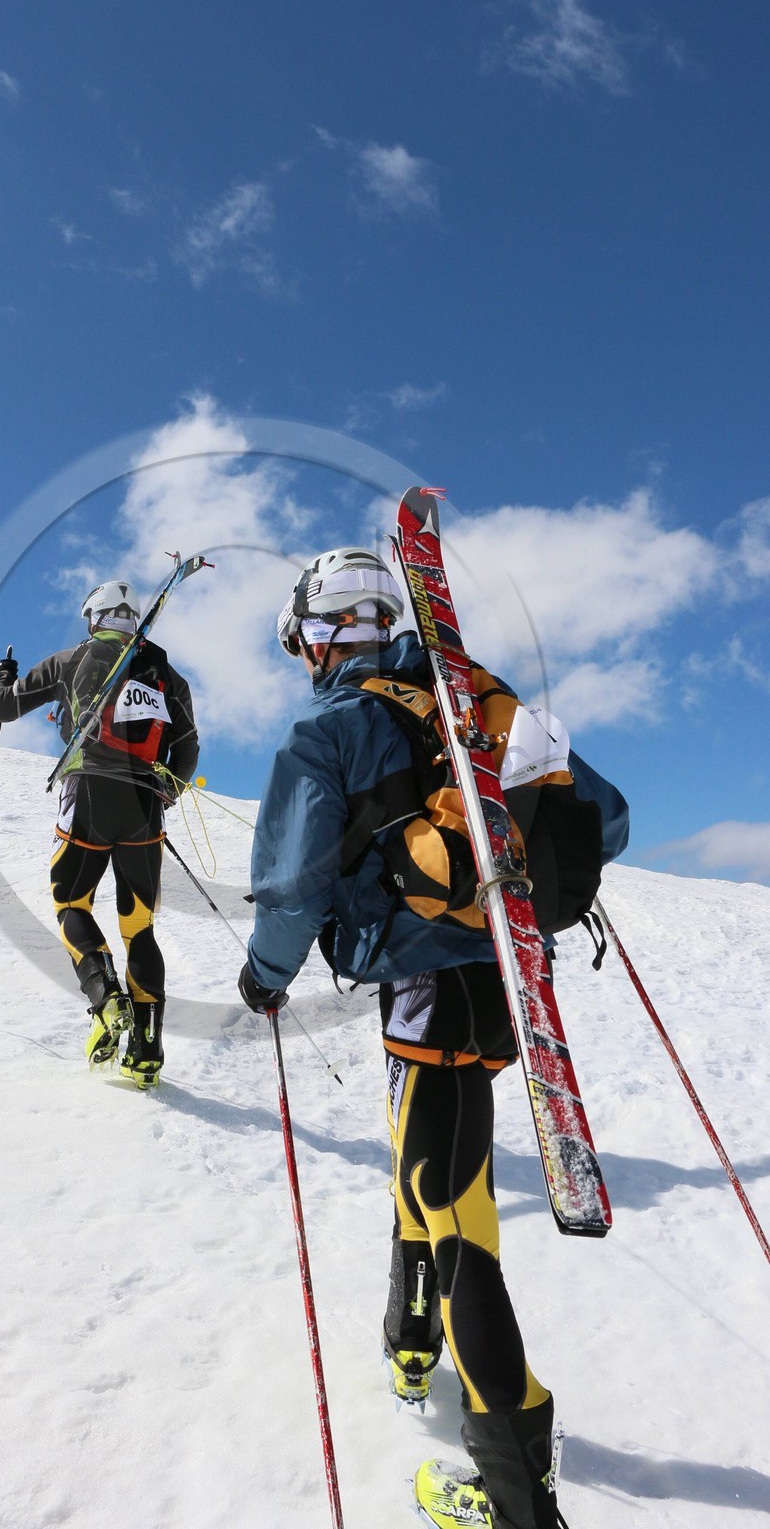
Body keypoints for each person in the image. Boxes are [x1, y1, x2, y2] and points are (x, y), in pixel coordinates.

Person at [237, 547, 628, 1529]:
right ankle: (412, 1337)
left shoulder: (326, 728)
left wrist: (264, 975)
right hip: (500, 975)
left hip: (420, 986)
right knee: (436, 1170)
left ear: (314, 634)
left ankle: (514, 1498)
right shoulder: (469, 696)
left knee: (450, 1212)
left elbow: (292, 887)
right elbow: (606, 818)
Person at [0, 578, 199, 1088]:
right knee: (140, 927)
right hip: (145, 807)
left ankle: (106, 1001)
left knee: (72, 905)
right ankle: (147, 1048)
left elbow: (2, 707)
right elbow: (187, 750)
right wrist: (166, 795)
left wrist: (2, 674)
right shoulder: (167, 675)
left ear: (95, 618)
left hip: (86, 797)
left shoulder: (71, 660)